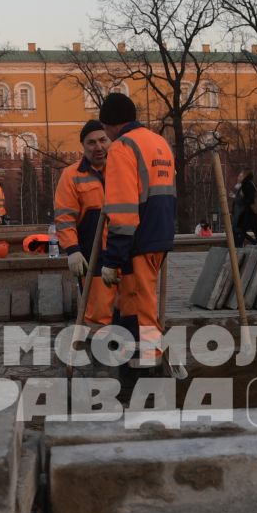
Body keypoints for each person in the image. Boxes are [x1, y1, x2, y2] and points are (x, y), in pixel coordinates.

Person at [96, 93, 176, 381]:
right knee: (131, 303)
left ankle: (148, 373)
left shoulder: (122, 147)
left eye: (104, 130)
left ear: (110, 124)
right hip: (160, 232)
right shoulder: (158, 142)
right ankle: (132, 366)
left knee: (141, 307)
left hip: (138, 239)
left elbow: (122, 208)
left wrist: (112, 256)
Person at [54, 120, 115, 328]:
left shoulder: (122, 169)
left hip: (123, 250)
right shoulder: (71, 175)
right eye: (91, 143)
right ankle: (99, 353)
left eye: (102, 140)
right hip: (93, 255)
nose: (98, 147)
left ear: (109, 140)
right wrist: (72, 249)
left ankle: (125, 354)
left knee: (128, 310)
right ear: (83, 146)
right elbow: (64, 217)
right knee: (98, 313)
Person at [231, 170, 257, 246]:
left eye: (241, 176)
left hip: (248, 213)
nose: (238, 177)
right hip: (252, 212)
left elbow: (249, 199)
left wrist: (240, 197)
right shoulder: (249, 183)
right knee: (255, 231)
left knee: (240, 230)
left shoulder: (246, 184)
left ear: (245, 176)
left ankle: (240, 247)